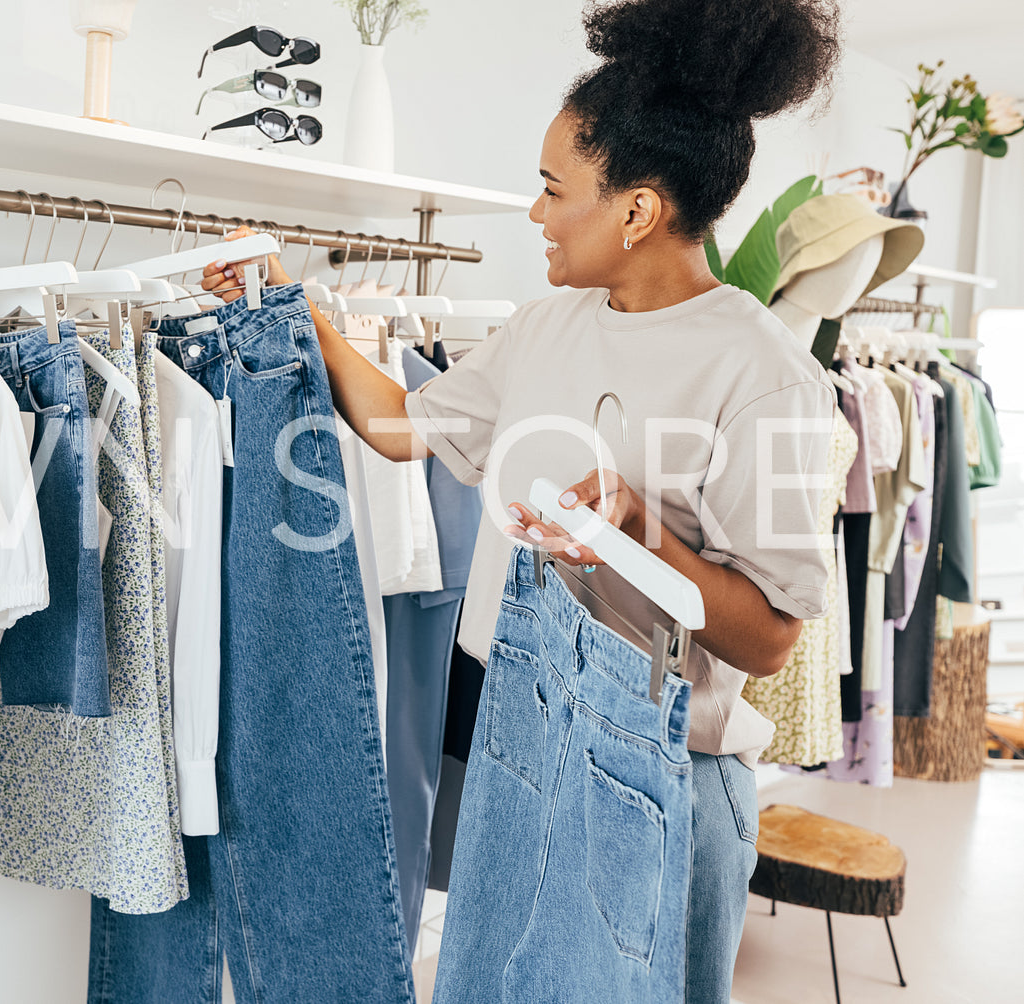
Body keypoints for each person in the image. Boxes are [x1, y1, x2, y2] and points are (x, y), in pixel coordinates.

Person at [198, 0, 843, 998]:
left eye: (552, 190)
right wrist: (293, 305)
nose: (534, 213)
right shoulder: (545, 327)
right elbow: (399, 425)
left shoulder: (762, 374)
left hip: (662, 777)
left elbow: (766, 643)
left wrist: (641, 534)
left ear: (634, 210)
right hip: (518, 744)